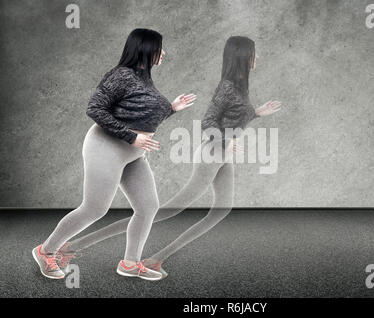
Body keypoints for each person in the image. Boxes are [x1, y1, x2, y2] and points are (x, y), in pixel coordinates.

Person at [51, 36, 281, 280]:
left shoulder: (238, 85)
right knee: (165, 210)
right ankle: (74, 246)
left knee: (215, 209)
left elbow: (229, 117)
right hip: (211, 152)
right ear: (244, 56)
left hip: (210, 153)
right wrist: (227, 139)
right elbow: (208, 124)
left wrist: (255, 113)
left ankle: (146, 260)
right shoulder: (227, 87)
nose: (257, 58)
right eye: (253, 53)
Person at [32, 28, 196, 281]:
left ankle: (130, 264)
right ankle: (46, 251)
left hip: (133, 154)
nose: (164, 53)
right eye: (159, 47)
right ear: (145, 48)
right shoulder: (121, 75)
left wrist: (172, 108)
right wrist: (132, 137)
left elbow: (140, 113)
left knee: (148, 206)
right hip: (105, 147)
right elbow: (94, 108)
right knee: (95, 208)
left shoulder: (143, 77)